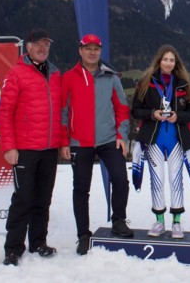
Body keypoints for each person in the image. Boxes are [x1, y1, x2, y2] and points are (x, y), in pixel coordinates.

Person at [60, 34, 133, 255]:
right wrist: (64, 141)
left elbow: (122, 109)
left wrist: (122, 135)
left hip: (109, 140)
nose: (92, 52)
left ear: (100, 52)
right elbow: (63, 112)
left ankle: (118, 220)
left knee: (120, 179)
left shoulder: (111, 77)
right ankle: (83, 234)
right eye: (88, 48)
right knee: (81, 189)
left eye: (96, 49)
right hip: (79, 142)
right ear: (80, 51)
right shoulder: (69, 77)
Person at [0, 29, 62, 266]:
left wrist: (62, 142)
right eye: (38, 44)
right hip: (24, 148)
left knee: (43, 198)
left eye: (46, 44)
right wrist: (9, 146)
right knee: (23, 198)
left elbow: (61, 112)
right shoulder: (16, 73)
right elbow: (4, 112)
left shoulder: (54, 73)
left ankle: (38, 242)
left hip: (48, 148)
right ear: (28, 47)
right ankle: (13, 248)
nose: (43, 48)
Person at [131, 45, 190, 239]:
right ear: (159, 61)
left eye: (172, 60)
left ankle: (176, 222)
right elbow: (135, 110)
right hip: (154, 140)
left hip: (177, 139)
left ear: (175, 63)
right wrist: (153, 114)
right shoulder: (146, 83)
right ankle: (159, 221)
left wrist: (178, 116)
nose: (168, 63)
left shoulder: (184, 84)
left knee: (175, 180)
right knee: (157, 180)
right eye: (165, 59)